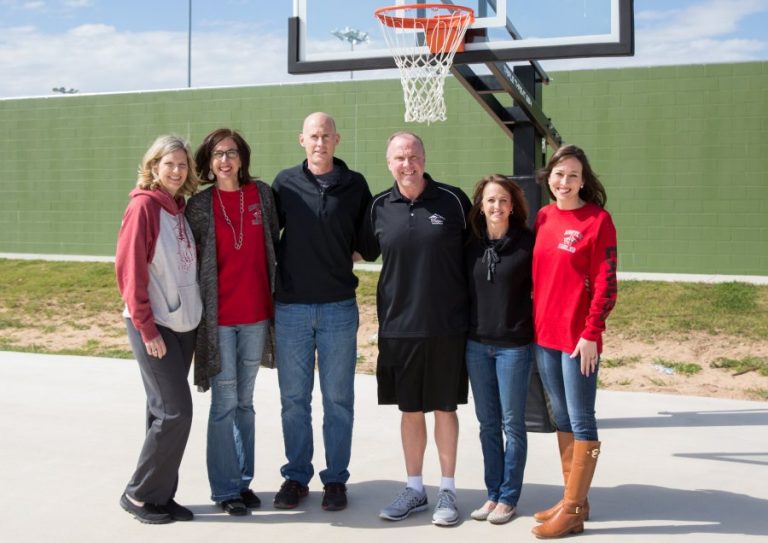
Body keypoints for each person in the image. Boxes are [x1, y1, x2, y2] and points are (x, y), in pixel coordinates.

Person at [358, 131, 471, 527]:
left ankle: (448, 491)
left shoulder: (453, 201)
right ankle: (414, 488)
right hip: (398, 328)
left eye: (413, 156)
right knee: (409, 410)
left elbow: (478, 252)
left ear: (424, 158)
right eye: (399, 158)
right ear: (388, 163)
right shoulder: (377, 207)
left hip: (446, 326)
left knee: (444, 408)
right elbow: (356, 250)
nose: (407, 164)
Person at [271, 112, 372, 511]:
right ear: (302, 140)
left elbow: (369, 238)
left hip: (338, 308)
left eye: (326, 136)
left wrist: (344, 253)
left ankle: (335, 481)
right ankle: (296, 477)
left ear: (337, 139)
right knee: (294, 399)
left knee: (338, 400)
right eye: (313, 136)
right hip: (292, 309)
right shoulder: (284, 183)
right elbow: (269, 237)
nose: (320, 142)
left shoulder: (355, 184)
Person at [185, 128, 280, 516]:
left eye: (231, 153)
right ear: (208, 163)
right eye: (217, 155)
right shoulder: (199, 206)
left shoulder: (263, 196)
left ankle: (243, 481)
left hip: (256, 316)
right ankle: (224, 490)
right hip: (220, 321)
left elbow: (272, 241)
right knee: (224, 403)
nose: (225, 160)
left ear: (242, 158)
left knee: (245, 403)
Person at [530, 144, 617, 539]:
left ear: (584, 181)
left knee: (582, 419)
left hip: (577, 340)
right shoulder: (545, 216)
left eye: (573, 176)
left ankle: (574, 509)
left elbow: (606, 284)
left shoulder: (598, 221)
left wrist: (591, 334)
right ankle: (573, 500)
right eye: (559, 174)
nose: (564, 182)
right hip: (544, 336)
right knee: (561, 418)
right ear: (549, 176)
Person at [115, 135, 202, 524]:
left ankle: (161, 496)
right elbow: (129, 272)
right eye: (169, 163)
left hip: (183, 323)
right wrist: (146, 329)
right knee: (175, 412)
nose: (177, 170)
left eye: (182, 164)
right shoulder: (144, 208)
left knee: (160, 413)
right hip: (154, 325)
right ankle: (138, 493)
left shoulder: (178, 209)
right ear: (153, 166)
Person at [464, 175, 534, 525]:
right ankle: (492, 494)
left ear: (512, 205)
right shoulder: (470, 244)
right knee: (487, 424)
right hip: (476, 345)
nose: (496, 206)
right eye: (490, 200)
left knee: (512, 424)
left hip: (514, 348)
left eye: (503, 200)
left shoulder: (527, 244)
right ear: (481, 204)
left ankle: (509, 497)